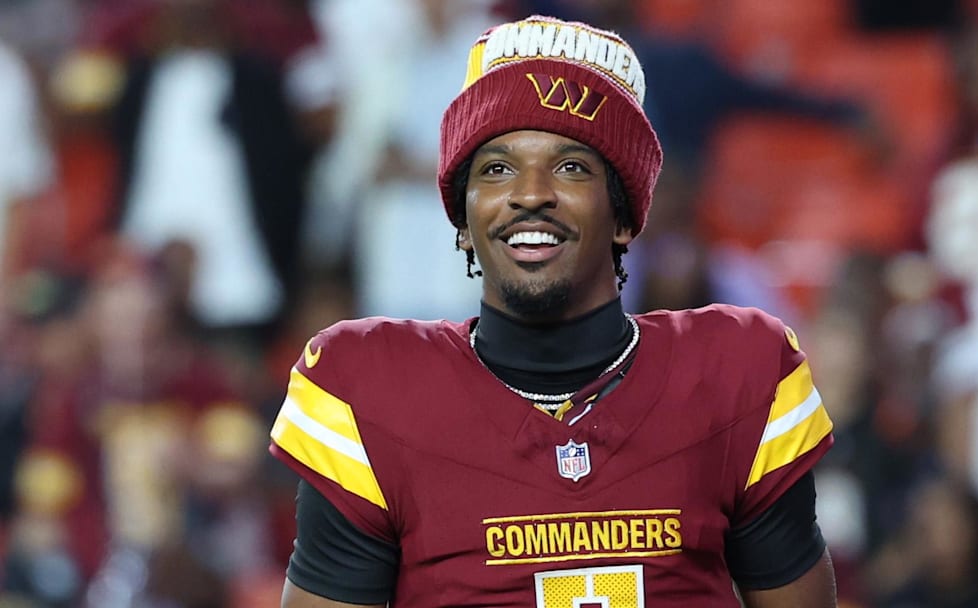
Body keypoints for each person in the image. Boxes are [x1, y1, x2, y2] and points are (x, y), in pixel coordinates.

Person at [269, 14, 837, 607]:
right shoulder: (369, 388)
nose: (531, 192)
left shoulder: (731, 374)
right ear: (462, 221)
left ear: (625, 215)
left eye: (570, 166)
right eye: (496, 168)